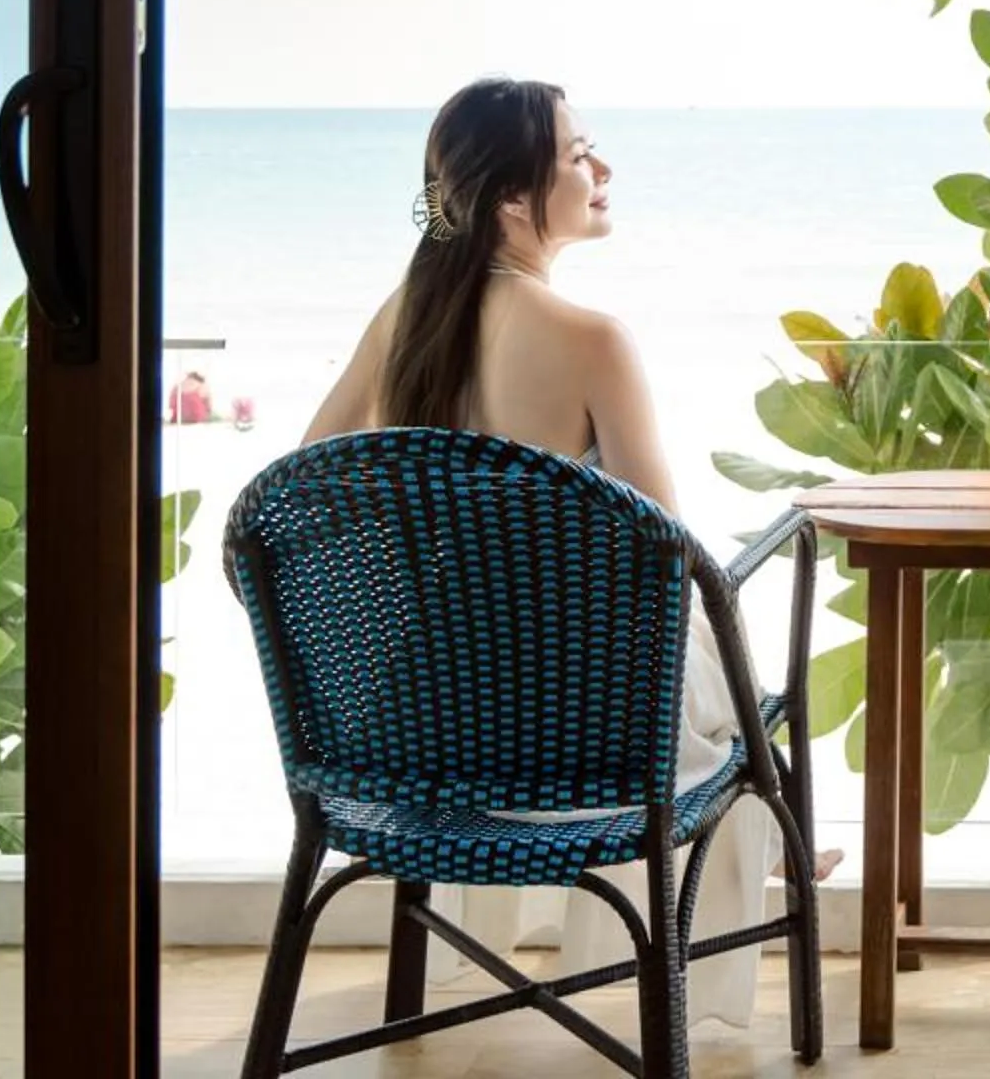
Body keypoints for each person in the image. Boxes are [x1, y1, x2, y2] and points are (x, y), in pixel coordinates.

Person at [301, 77, 827, 1034]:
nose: (603, 167)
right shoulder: (593, 342)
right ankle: (768, 819)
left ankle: (764, 822)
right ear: (511, 199)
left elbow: (308, 484)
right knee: (721, 642)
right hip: (583, 737)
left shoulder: (404, 321)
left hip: (430, 726)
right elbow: (670, 558)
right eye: (581, 153)